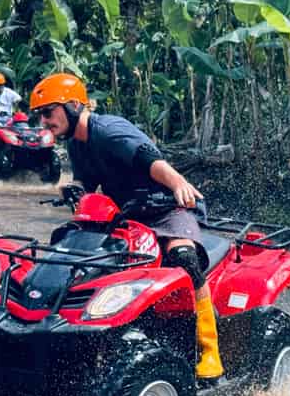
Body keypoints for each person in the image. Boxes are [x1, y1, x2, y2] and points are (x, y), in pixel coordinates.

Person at [30, 73, 223, 380]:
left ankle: (209, 350)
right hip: (126, 215)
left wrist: (179, 184)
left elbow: (150, 159)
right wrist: (74, 189)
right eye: (40, 114)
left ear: (73, 105)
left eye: (47, 112)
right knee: (69, 245)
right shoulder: (77, 144)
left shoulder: (109, 130)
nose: (43, 121)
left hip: (167, 208)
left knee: (184, 258)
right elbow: (87, 182)